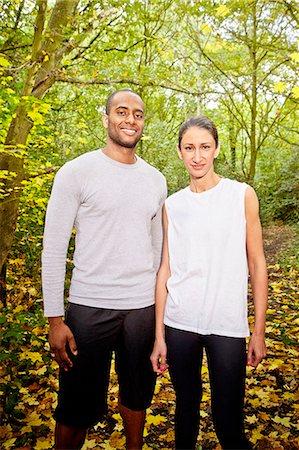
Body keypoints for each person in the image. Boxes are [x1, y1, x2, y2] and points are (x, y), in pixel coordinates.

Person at [42, 89, 167, 450]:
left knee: (138, 396)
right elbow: (53, 248)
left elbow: (160, 255)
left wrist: (160, 320)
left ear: (144, 122)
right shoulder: (76, 172)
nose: (131, 119)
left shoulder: (155, 180)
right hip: (89, 306)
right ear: (106, 118)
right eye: (122, 112)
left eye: (138, 114)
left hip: (142, 308)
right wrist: (55, 320)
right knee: (74, 408)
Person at [150, 116, 268, 450]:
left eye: (204, 147)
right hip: (179, 322)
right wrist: (159, 336)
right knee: (185, 412)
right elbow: (166, 271)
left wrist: (258, 330)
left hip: (227, 325)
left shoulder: (241, 195)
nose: (197, 156)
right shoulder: (172, 205)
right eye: (189, 148)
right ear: (179, 152)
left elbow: (257, 263)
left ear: (216, 149)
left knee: (228, 421)